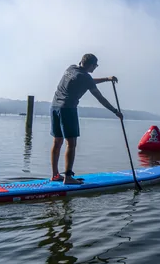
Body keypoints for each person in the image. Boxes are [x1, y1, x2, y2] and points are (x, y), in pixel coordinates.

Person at [50, 53, 123, 184]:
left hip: (55, 107)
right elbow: (100, 98)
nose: (96, 68)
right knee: (71, 144)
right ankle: (68, 177)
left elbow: (88, 80)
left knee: (57, 142)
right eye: (96, 65)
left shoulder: (71, 68)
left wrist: (106, 79)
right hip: (68, 109)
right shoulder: (85, 78)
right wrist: (115, 111)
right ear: (91, 65)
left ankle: (55, 175)